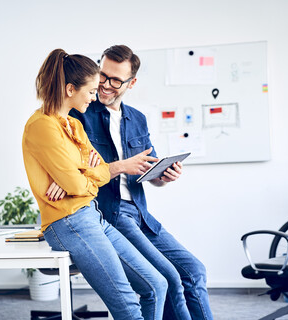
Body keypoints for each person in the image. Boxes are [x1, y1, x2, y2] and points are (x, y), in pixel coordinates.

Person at [69, 45, 214, 320]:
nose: (105, 84)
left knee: (195, 271)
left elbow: (148, 172)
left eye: (116, 80)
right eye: (102, 74)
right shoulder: (81, 112)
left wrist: (163, 176)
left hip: (140, 213)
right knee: (169, 279)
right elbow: (75, 171)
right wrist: (121, 166)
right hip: (109, 213)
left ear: (131, 83)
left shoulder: (137, 119)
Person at [22, 48, 168, 320]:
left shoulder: (74, 127)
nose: (95, 96)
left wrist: (81, 178)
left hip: (92, 215)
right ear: (69, 89)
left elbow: (92, 171)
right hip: (68, 222)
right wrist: (82, 178)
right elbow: (80, 183)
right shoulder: (41, 125)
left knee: (157, 285)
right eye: (90, 91)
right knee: (128, 306)